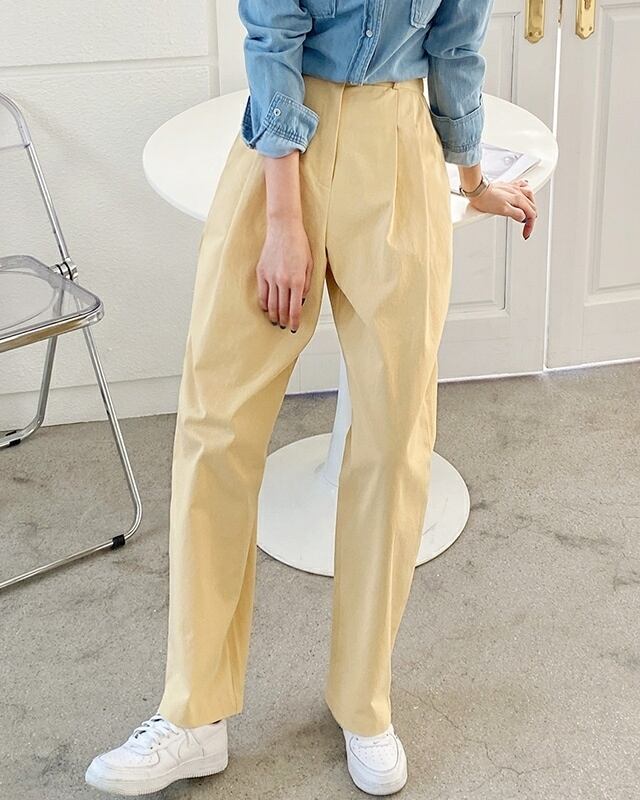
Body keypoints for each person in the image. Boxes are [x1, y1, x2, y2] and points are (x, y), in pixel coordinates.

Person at [85, 0, 537, 796]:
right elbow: (273, 37)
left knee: (395, 441)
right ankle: (193, 714)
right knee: (216, 427)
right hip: (281, 147)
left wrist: (472, 181)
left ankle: (365, 704)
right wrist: (284, 222)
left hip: (399, 149)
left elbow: (456, 45)